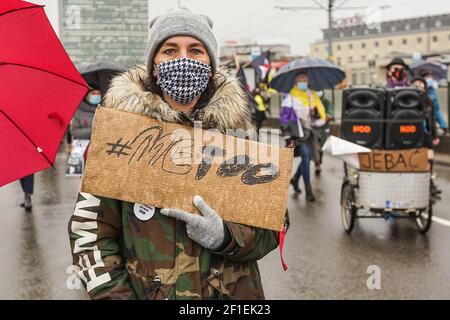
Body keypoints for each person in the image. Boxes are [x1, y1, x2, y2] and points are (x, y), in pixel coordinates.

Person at [68, 8, 284, 300]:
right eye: (170, 50)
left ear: (210, 64)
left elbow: (273, 225)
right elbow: (89, 235)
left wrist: (225, 237)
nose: (183, 60)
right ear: (154, 66)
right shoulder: (120, 136)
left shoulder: (238, 134)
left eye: (196, 50)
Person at [279, 71, 326, 201]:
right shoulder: (290, 98)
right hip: (297, 134)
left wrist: (314, 113)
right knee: (305, 155)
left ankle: (294, 179)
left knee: (309, 158)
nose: (303, 83)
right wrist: (288, 138)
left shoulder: (312, 96)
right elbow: (284, 119)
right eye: (301, 81)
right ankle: (308, 189)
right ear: (295, 82)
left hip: (311, 133)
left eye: (305, 80)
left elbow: (317, 118)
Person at [411, 76, 442, 200]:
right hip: (412, 135)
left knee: (429, 160)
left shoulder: (428, 101)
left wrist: (434, 135)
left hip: (426, 135)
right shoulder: (407, 99)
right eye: (416, 83)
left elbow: (432, 120)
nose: (419, 85)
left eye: (421, 83)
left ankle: (429, 183)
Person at [419, 69, 448, 134]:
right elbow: (436, 86)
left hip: (428, 99)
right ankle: (444, 126)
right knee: (437, 112)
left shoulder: (426, 81)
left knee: (426, 113)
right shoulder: (433, 81)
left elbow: (424, 88)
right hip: (434, 99)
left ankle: (425, 129)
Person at [313, 90, 335, 176]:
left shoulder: (326, 101)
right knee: (315, 147)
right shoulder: (311, 101)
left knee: (321, 147)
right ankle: (317, 164)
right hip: (313, 128)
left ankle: (319, 159)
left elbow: (330, 112)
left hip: (324, 128)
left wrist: (326, 117)